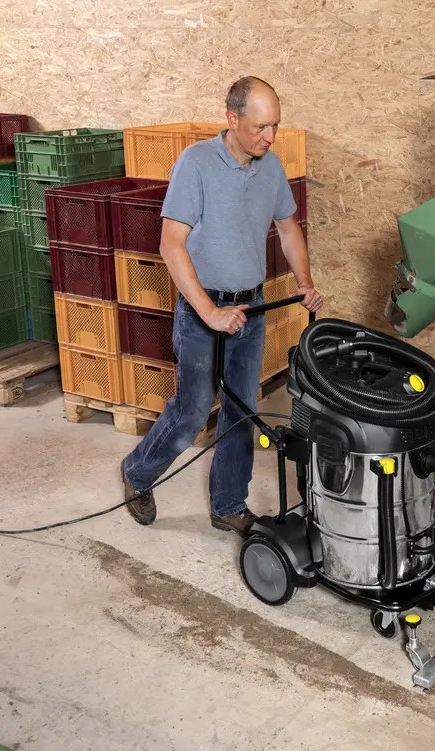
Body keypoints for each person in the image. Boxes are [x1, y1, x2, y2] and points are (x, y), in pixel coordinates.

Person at [120, 76, 323, 536]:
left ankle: (229, 502)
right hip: (201, 311)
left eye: (275, 126)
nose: (269, 137)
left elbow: (288, 229)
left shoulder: (269, 167)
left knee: (242, 410)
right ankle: (138, 473)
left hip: (249, 310)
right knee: (192, 411)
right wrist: (210, 312)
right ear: (232, 119)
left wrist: (306, 282)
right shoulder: (195, 164)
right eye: (260, 127)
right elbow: (172, 245)